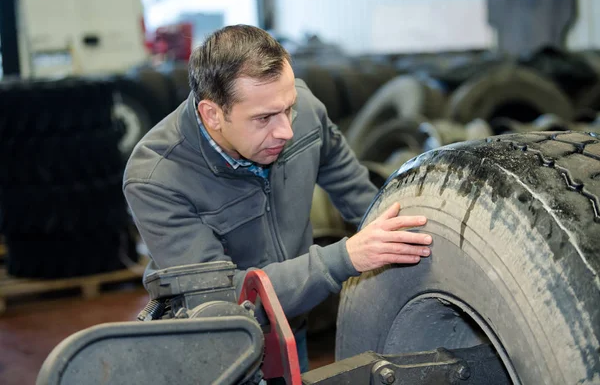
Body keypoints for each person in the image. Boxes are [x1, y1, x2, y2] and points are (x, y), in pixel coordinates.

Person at [123, 24, 432, 375]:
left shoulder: (304, 112)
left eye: (288, 108)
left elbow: (363, 199)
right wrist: (345, 257)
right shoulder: (155, 178)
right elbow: (222, 303)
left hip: (289, 328)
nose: (285, 130)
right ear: (212, 115)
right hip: (218, 353)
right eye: (264, 118)